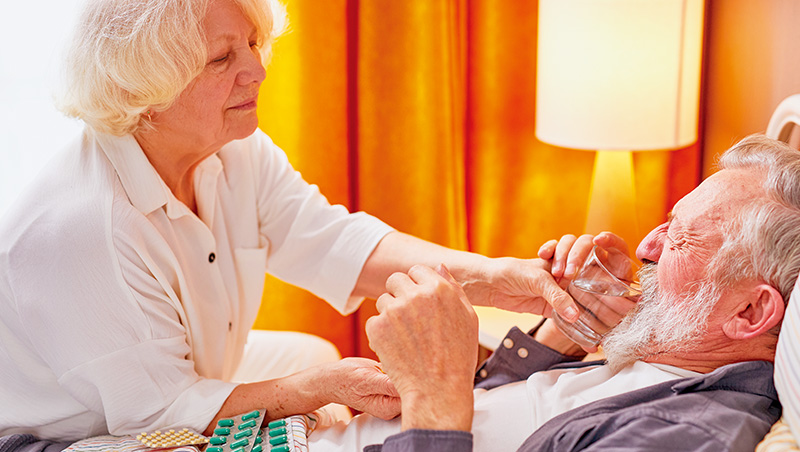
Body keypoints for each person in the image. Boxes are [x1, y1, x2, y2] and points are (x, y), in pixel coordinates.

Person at [0, 0, 585, 447]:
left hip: (163, 379)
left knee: (310, 353)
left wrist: (498, 279)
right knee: (315, 377)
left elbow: (333, 242)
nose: (256, 69)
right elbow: (159, 413)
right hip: (63, 433)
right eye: (222, 58)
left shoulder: (232, 149)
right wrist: (318, 386)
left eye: (253, 43)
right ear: (144, 88)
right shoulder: (87, 232)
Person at [307, 134, 798, 451]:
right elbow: (509, 409)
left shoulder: (683, 435)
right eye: (666, 222)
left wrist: (433, 395)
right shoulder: (670, 363)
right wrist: (567, 328)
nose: (645, 246)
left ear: (749, 311)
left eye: (680, 239)